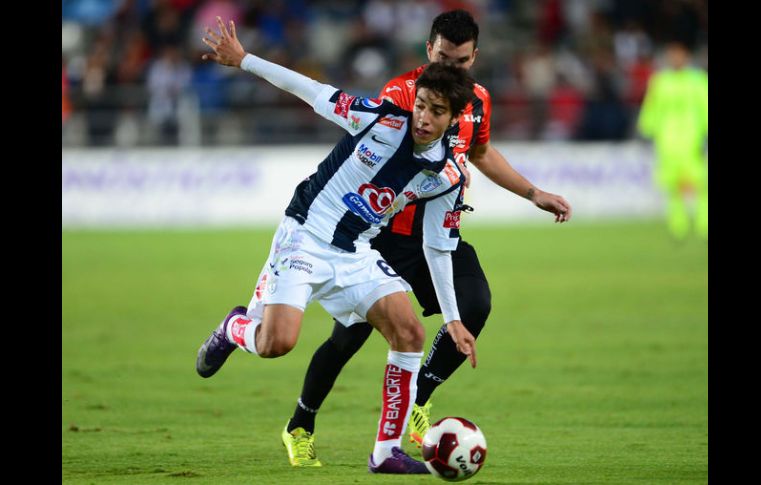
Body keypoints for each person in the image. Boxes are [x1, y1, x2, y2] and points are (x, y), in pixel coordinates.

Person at [281, 9, 572, 467]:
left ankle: (418, 401)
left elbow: (481, 152)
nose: (449, 69)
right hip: (388, 237)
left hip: (441, 233)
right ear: (427, 50)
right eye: (442, 58)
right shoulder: (402, 93)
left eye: (459, 62)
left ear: (473, 57)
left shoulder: (477, 101)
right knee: (349, 336)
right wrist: (438, 174)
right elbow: (384, 158)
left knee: (475, 306)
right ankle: (301, 423)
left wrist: (532, 192)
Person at [195, 16, 479, 475]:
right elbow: (310, 89)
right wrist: (244, 59)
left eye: (437, 111)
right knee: (276, 344)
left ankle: (386, 452)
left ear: (454, 118)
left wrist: (454, 319)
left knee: (410, 333)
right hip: (305, 234)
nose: (424, 118)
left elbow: (438, 247)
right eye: (422, 105)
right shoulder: (380, 120)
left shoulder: (445, 177)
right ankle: (234, 328)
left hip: (355, 252)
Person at [638, 40, 708, 241]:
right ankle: (678, 225)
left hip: (692, 139)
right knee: (672, 186)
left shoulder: (698, 80)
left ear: (686, 56)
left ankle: (704, 223)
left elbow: (705, 106)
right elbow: (652, 106)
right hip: (667, 141)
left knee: (701, 183)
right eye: (672, 54)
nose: (675, 58)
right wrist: (645, 129)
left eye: (679, 54)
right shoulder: (661, 81)